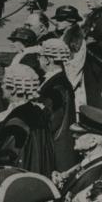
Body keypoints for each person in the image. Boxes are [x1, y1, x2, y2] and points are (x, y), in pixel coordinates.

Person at [38, 38, 78, 175]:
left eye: (40, 56)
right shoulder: (60, 81)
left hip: (55, 151)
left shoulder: (56, 86)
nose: (38, 60)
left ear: (48, 59)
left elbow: (51, 120)